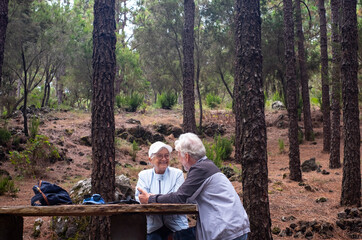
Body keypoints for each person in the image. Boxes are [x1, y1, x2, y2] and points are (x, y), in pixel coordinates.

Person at [138, 133, 250, 240]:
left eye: (178, 155)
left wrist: (150, 199)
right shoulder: (206, 165)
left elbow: (179, 198)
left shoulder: (200, 169)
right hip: (232, 226)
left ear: (186, 156)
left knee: (178, 236)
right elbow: (188, 198)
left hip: (226, 229)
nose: (178, 160)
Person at [135, 141, 189, 240]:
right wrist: (166, 198)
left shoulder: (177, 174)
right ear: (150, 159)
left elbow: (178, 199)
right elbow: (140, 199)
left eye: (166, 156)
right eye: (159, 156)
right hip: (152, 227)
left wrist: (150, 198)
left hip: (176, 226)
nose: (164, 159)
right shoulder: (144, 175)